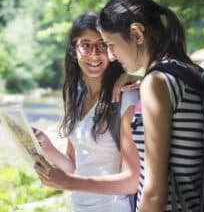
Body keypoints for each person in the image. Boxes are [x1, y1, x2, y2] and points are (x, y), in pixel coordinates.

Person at [97, 0, 204, 212]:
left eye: (111, 45)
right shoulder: (188, 71)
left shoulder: (156, 83)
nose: (111, 56)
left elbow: (155, 192)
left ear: (136, 34)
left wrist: (148, 83)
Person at [33, 12, 139, 212]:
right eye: (85, 45)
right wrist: (45, 145)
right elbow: (74, 166)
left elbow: (131, 181)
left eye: (102, 45)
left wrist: (69, 183)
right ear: (74, 49)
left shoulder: (126, 98)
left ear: (111, 49)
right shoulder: (78, 96)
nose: (94, 54)